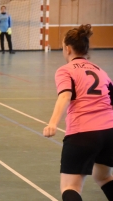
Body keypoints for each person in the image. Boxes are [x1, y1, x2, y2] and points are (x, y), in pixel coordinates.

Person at [43, 24, 113, 201]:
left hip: (83, 133)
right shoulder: (100, 71)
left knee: (70, 186)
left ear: (67, 49)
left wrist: (52, 124)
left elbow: (65, 96)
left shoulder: (65, 70)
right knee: (103, 177)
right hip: (109, 133)